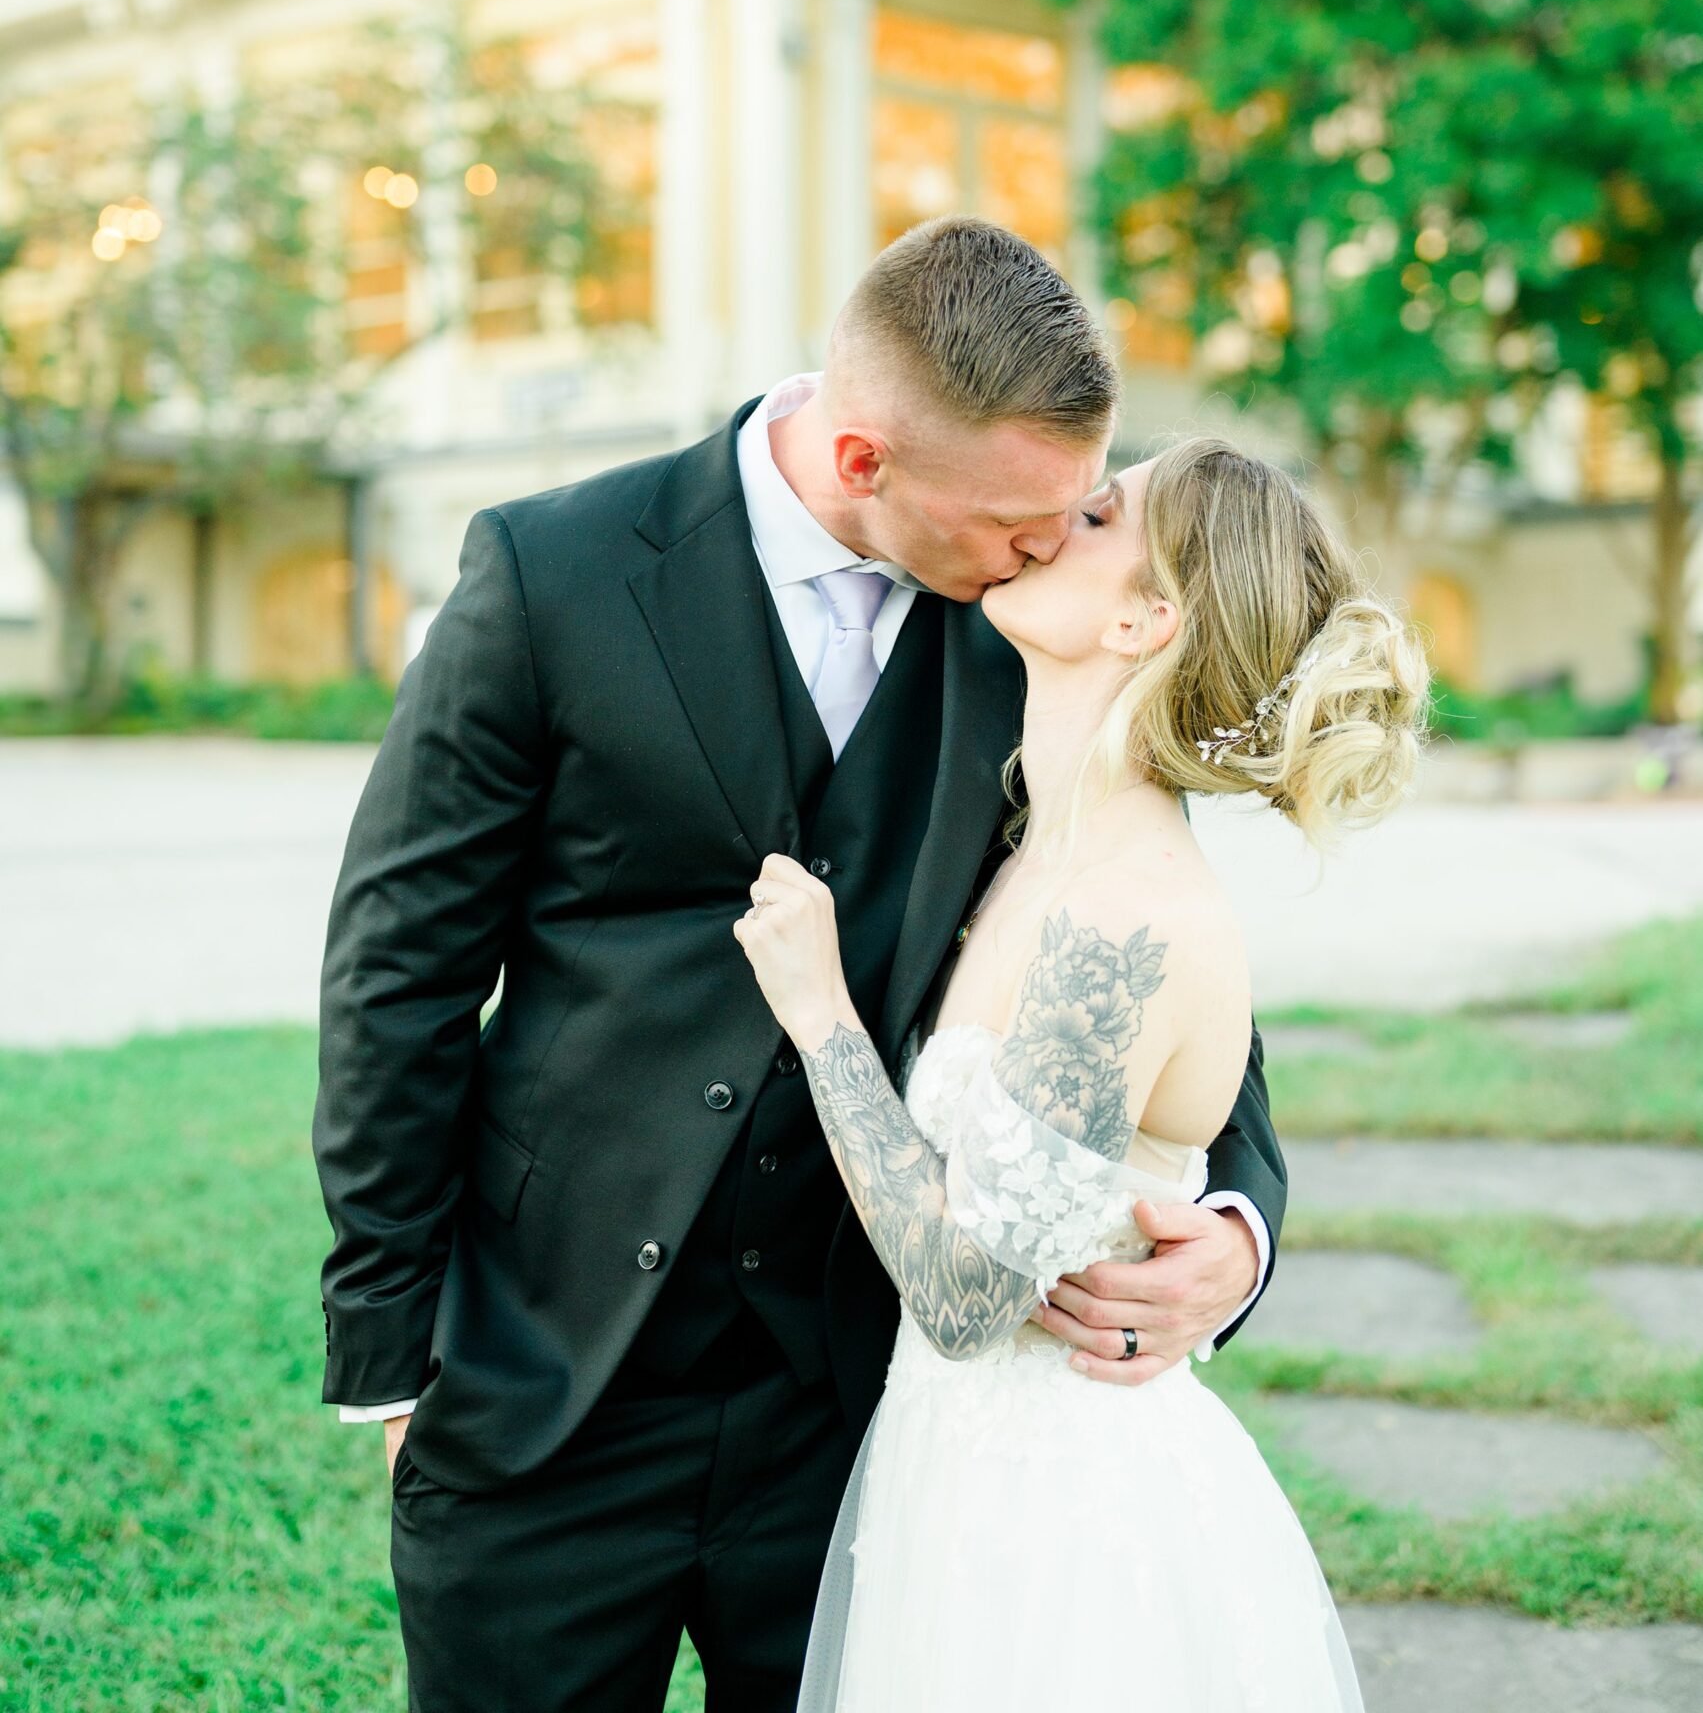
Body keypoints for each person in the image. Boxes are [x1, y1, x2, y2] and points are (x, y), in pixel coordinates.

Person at [313, 218, 1286, 1713]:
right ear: (859, 464)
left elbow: (1150, 952)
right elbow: (400, 967)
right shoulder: (551, 570)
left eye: (1076, 510)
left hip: (861, 1400)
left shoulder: (1038, 625)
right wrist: (390, 1350)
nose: (1045, 542)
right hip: (550, 1377)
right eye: (1012, 522)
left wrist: (1234, 1219)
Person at [736, 430, 1429, 1711]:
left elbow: (963, 1299)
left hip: (1060, 1529)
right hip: (942, 1480)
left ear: (1143, 620)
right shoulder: (1027, 844)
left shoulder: (1126, 919)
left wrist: (820, 1013)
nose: (1055, 519)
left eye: (1098, 515)